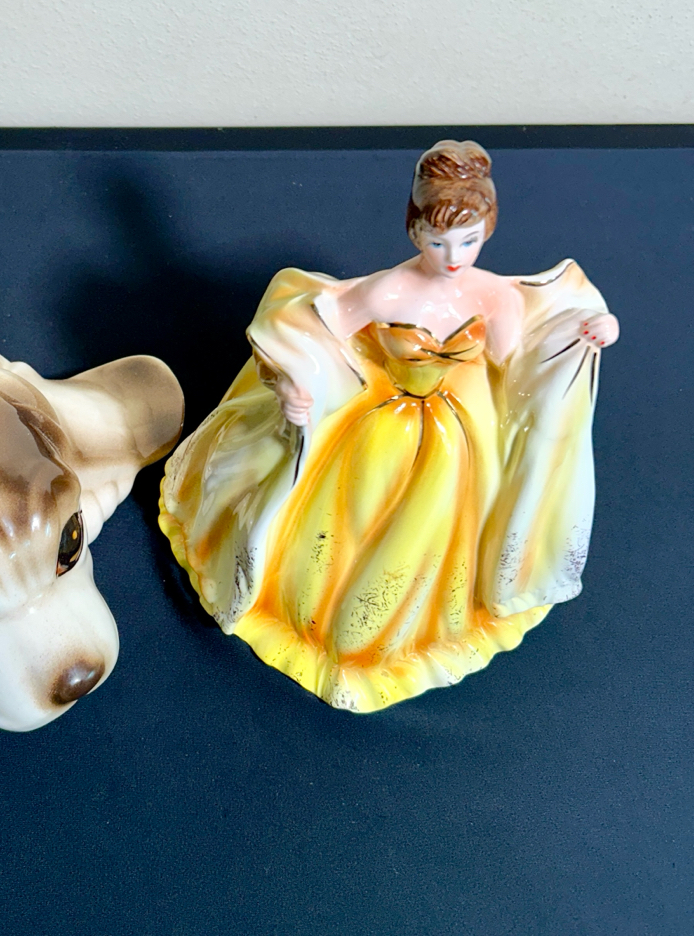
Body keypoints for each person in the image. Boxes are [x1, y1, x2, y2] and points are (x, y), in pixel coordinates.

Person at [159, 141, 619, 711]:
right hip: (379, 420)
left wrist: (581, 336)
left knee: (439, 524)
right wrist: (294, 384)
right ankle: (325, 616)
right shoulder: (386, 292)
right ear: (415, 230)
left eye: (470, 240)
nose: (454, 256)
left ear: (488, 231)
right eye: (439, 241)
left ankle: (398, 629)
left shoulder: (496, 296)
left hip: (457, 429)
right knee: (350, 515)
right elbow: (312, 328)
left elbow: (514, 363)